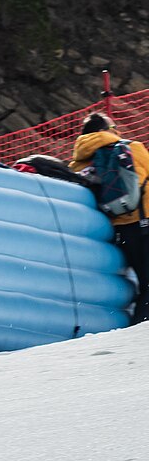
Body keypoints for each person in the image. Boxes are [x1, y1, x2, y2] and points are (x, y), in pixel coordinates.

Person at [70, 112, 149, 323]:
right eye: (113, 127)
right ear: (106, 130)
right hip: (145, 219)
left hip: (119, 231)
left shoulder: (78, 164)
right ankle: (140, 329)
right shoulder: (132, 147)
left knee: (145, 283)